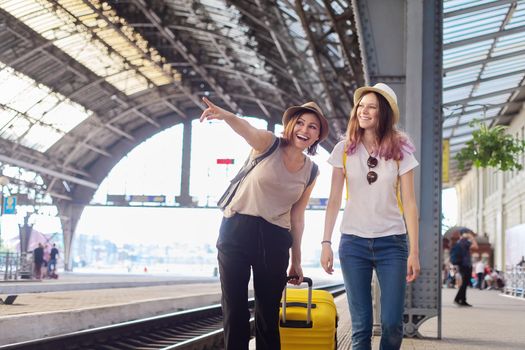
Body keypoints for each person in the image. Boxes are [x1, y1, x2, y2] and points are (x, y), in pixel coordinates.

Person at [200, 97, 329, 350]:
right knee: (235, 308)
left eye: (312, 127)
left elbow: (297, 218)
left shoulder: (311, 171)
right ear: (290, 125)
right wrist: (226, 115)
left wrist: (297, 261)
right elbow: (246, 129)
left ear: (317, 136)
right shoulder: (268, 144)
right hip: (237, 229)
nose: (305, 129)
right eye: (300, 123)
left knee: (268, 314)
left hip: (275, 238)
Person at [320, 82, 420, 350]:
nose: (364, 111)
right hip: (353, 244)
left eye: (371, 107)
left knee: (391, 323)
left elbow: (410, 203)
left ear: (383, 113)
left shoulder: (401, 151)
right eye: (361, 106)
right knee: (361, 326)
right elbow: (333, 200)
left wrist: (414, 252)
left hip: (393, 244)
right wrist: (326, 242)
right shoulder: (343, 149)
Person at [453, 229, 478, 306]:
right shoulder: (464, 242)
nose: (469, 234)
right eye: (467, 233)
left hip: (462, 264)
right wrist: (472, 237)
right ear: (464, 234)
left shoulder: (459, 242)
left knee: (465, 282)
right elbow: (476, 247)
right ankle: (458, 299)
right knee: (465, 282)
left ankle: (462, 300)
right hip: (465, 265)